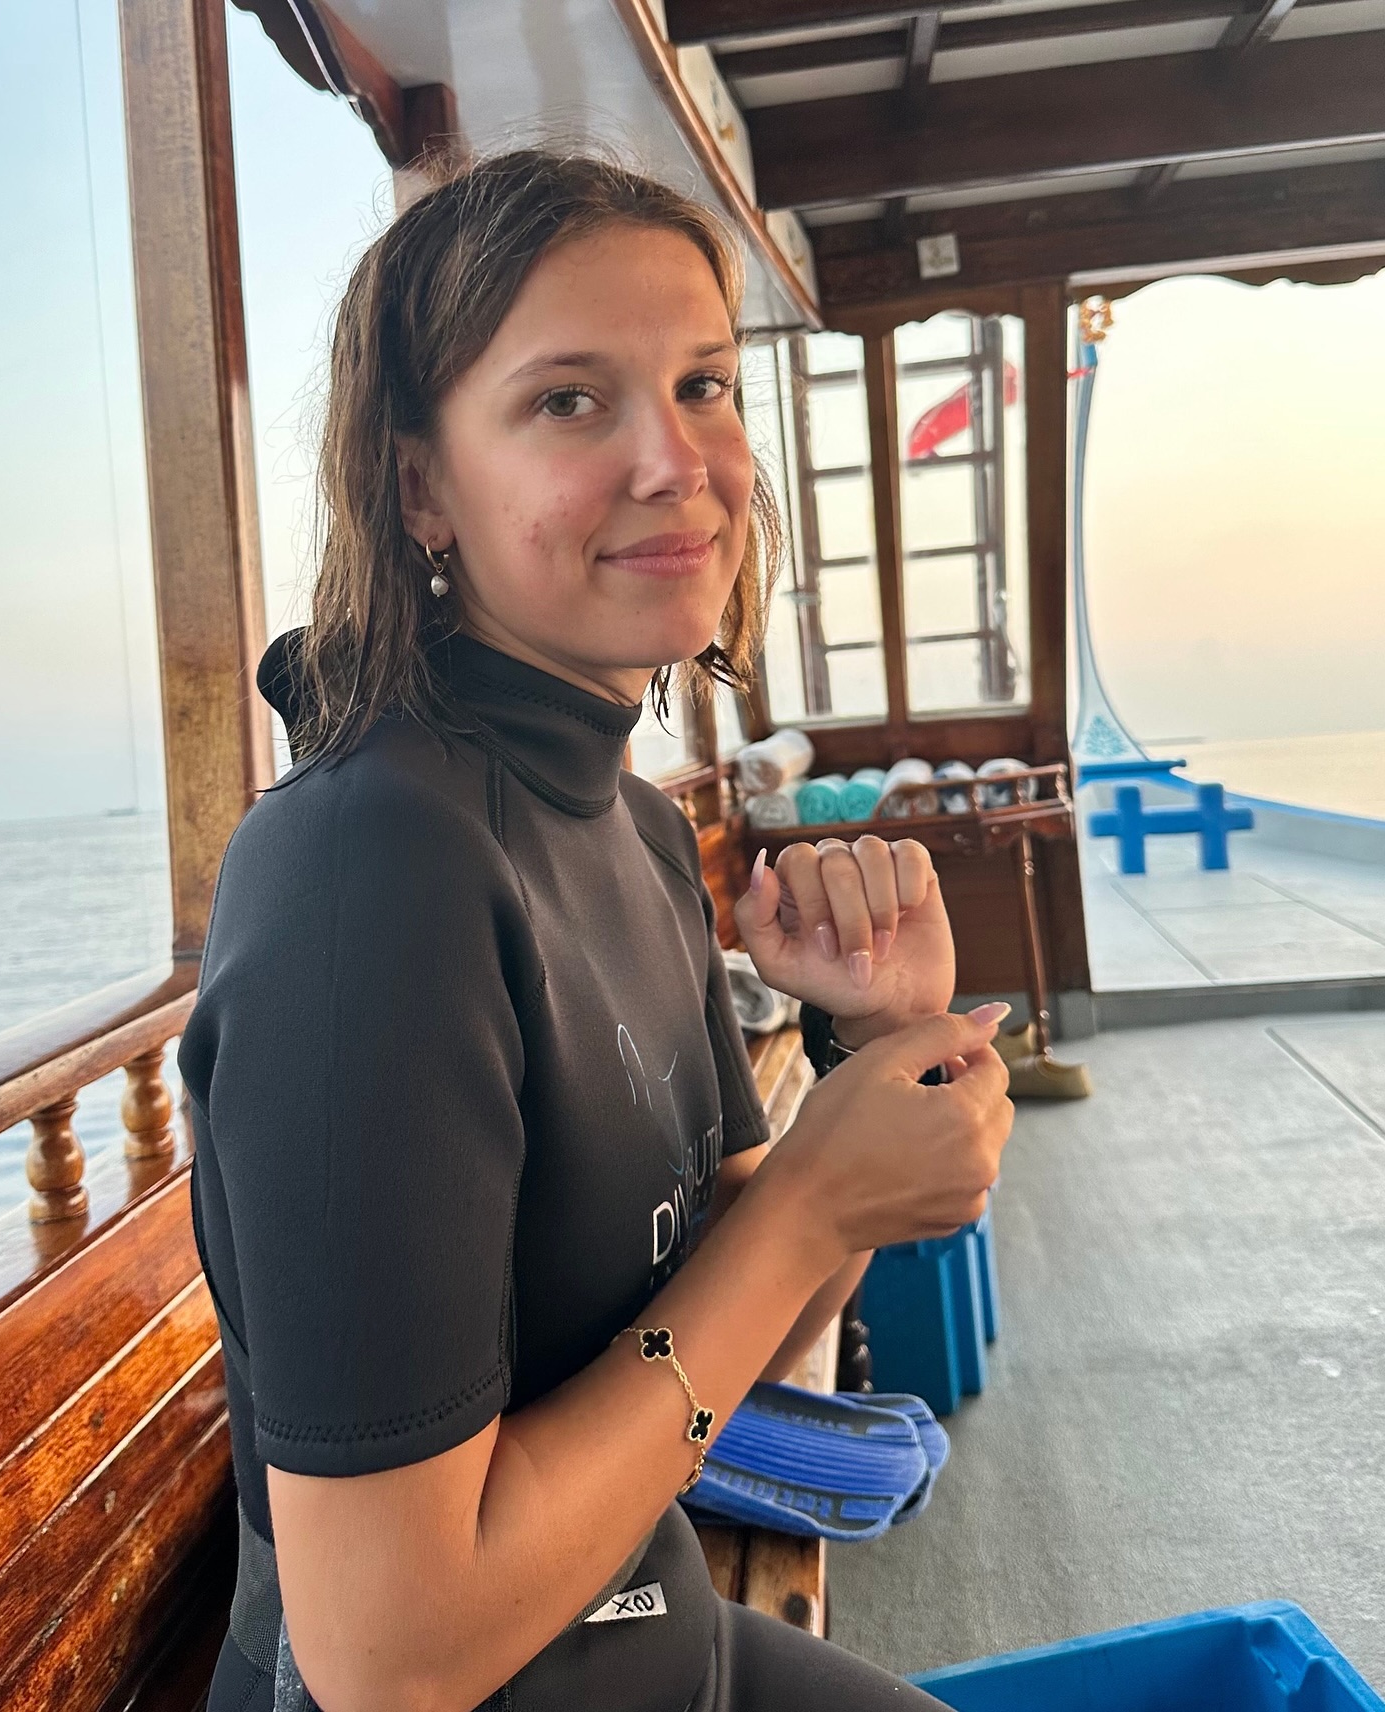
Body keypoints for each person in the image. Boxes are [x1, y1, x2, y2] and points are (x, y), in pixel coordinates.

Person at [180, 149, 1013, 1712]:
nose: (674, 460)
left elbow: (763, 1319)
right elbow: (386, 1657)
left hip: (653, 1641)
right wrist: (811, 1206)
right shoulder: (366, 878)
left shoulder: (626, 825)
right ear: (421, 488)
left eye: (705, 385)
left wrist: (875, 1051)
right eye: (570, 400)